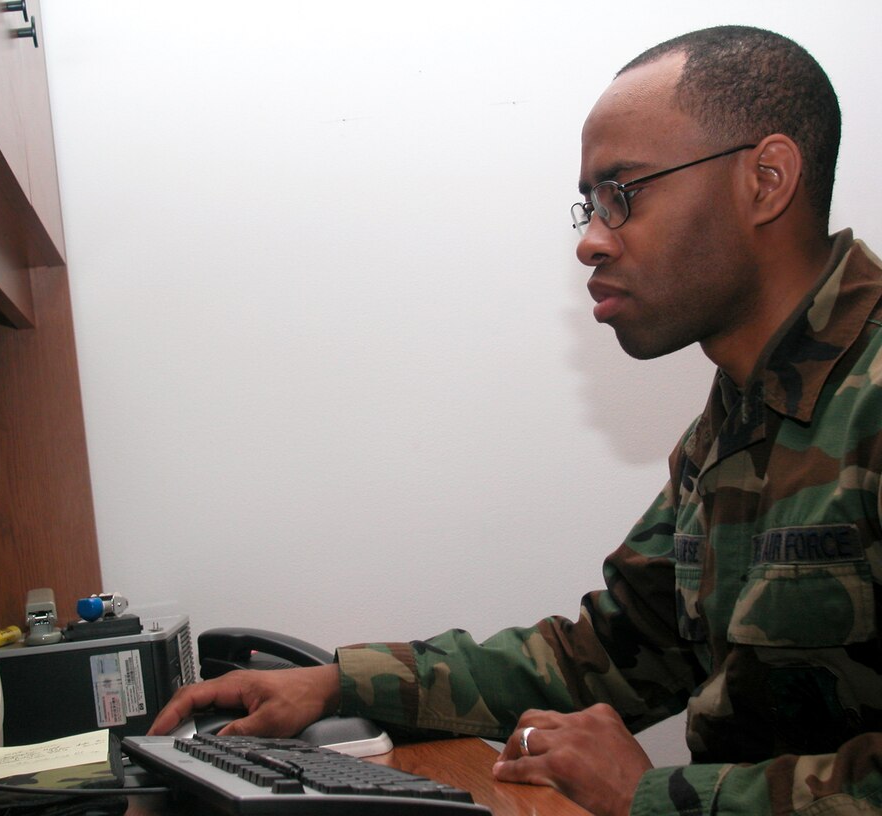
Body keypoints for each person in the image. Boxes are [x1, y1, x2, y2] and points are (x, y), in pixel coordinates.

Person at [148, 25, 882, 816]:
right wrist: (337, 684)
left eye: (623, 194)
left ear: (766, 180)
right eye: (590, 206)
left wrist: (655, 797)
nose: (591, 242)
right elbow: (607, 654)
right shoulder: (736, 420)